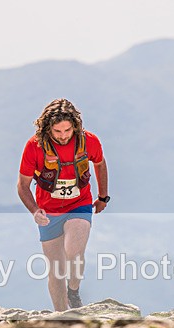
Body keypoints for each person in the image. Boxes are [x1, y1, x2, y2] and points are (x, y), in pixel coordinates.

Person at [17, 98, 110, 311]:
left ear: (75, 126)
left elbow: (100, 163)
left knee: (74, 251)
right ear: (47, 128)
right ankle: (62, 317)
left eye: (67, 130)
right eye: (57, 131)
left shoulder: (88, 141)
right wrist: (34, 211)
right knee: (56, 270)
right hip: (48, 212)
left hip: (80, 204)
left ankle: (74, 290)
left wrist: (103, 196)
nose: (63, 136)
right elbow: (22, 185)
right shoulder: (34, 146)